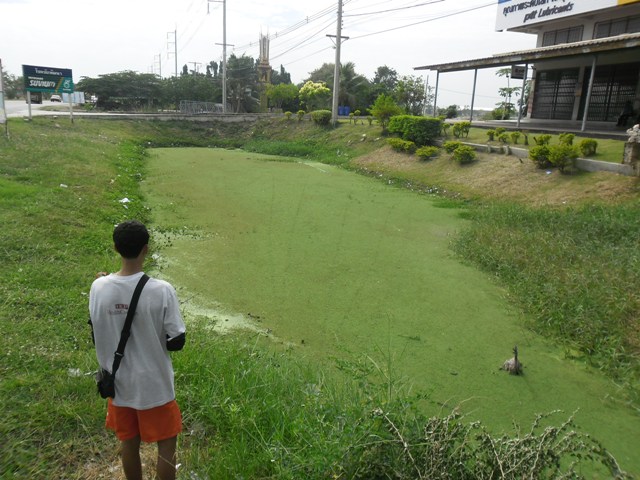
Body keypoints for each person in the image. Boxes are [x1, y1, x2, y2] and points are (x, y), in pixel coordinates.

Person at [89, 220, 186, 480]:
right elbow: (177, 341)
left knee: (128, 444)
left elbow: (95, 332)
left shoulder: (98, 287)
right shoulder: (162, 290)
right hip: (155, 385)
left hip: (118, 385)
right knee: (167, 444)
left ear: (115, 248)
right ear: (146, 249)